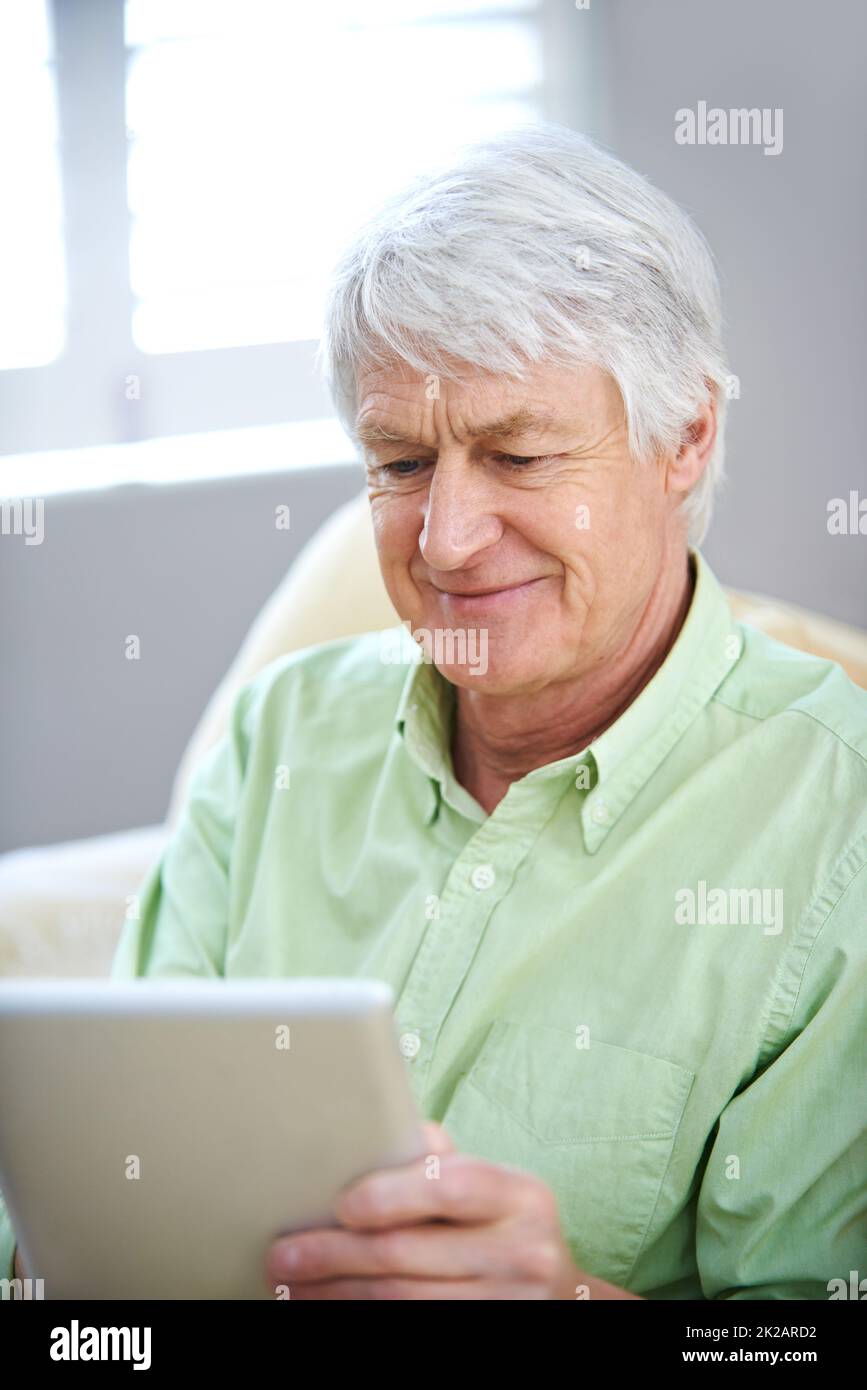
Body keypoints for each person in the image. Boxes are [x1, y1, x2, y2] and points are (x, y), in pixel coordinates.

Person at [4, 124, 865, 1299]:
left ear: (687, 436)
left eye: (516, 456)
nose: (447, 541)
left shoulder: (836, 825)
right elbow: (106, 1191)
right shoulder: (280, 739)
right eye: (402, 464)